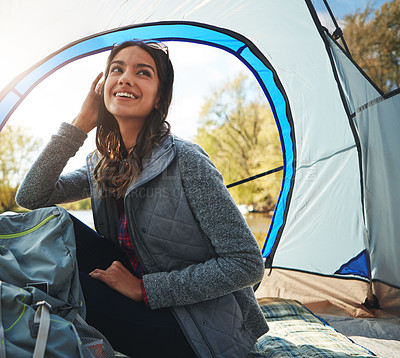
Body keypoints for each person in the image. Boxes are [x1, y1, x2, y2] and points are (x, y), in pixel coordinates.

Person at [16, 40, 268, 358]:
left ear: (159, 97)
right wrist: (79, 124)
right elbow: (31, 198)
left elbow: (247, 264)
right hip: (139, 288)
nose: (125, 78)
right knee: (53, 228)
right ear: (101, 87)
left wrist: (144, 289)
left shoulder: (186, 160)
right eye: (117, 69)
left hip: (196, 327)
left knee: (58, 284)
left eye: (143, 72)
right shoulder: (104, 164)